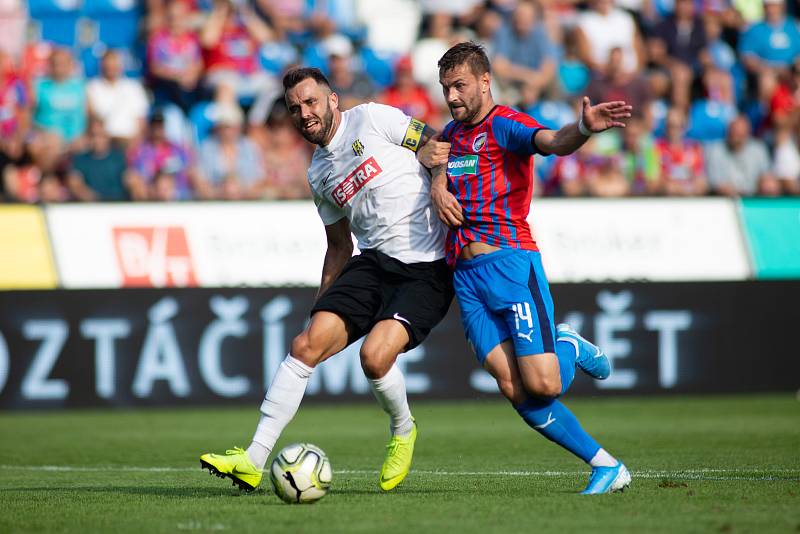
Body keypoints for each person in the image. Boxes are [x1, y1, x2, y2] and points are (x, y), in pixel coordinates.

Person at [199, 67, 454, 492]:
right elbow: (338, 246)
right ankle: (252, 459)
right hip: (372, 262)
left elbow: (434, 144)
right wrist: (323, 305)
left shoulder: (373, 119)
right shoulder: (319, 172)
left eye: (311, 102)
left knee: (374, 357)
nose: (304, 113)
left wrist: (439, 184)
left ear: (332, 99)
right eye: (295, 108)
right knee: (304, 346)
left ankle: (403, 429)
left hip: (427, 266)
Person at [433, 42, 631, 494]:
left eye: (459, 85)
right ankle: (606, 466)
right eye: (446, 88)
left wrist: (582, 127)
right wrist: (436, 187)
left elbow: (552, 141)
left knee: (543, 383)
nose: (452, 96)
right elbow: (436, 162)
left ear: (485, 81)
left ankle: (568, 342)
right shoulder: (450, 133)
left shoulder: (506, 124)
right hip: (465, 279)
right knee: (512, 386)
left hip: (510, 264)